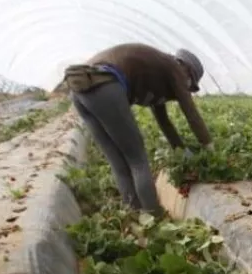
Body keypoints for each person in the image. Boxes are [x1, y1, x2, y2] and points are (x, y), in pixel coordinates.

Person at [62, 43, 212, 214]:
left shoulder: (157, 72)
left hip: (80, 92)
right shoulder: (174, 67)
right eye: (189, 82)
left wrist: (181, 150)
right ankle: (153, 217)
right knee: (137, 160)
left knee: (118, 161)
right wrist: (208, 146)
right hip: (105, 85)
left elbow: (164, 121)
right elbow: (190, 112)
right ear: (186, 69)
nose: (186, 87)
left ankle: (135, 214)